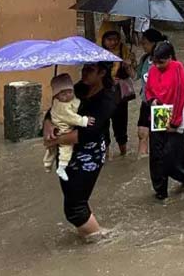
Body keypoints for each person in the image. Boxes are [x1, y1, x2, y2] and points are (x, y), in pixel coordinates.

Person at [42, 62, 117, 242]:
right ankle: (93, 237)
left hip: (89, 154)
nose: (84, 72)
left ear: (102, 73)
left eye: (90, 70)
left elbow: (86, 133)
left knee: (75, 208)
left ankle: (102, 243)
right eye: (84, 68)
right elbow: (54, 109)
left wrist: (53, 140)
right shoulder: (78, 89)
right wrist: (48, 124)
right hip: (67, 152)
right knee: (73, 201)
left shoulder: (108, 97)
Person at [145, 41, 184, 200]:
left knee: (171, 155)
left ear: (170, 58)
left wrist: (175, 121)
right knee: (156, 155)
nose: (158, 65)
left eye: (161, 62)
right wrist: (152, 100)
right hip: (158, 113)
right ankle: (160, 191)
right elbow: (148, 90)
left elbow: (181, 94)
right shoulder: (153, 69)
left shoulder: (177, 68)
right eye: (155, 61)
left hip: (175, 114)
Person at [43, 73, 94, 181]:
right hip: (63, 129)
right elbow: (72, 118)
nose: (67, 95)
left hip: (86, 152)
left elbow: (75, 103)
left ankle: (47, 164)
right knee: (66, 149)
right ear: (56, 95)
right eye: (62, 93)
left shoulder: (70, 99)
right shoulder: (61, 106)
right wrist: (84, 120)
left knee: (52, 149)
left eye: (69, 92)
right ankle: (61, 168)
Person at [100, 30, 136, 157]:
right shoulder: (99, 55)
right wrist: (107, 79)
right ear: (104, 41)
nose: (113, 42)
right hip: (103, 96)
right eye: (109, 40)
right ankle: (106, 154)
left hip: (119, 97)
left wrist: (127, 65)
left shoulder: (126, 53)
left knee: (120, 125)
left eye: (115, 39)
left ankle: (123, 153)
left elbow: (134, 76)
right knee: (103, 126)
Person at [136, 28, 168, 157]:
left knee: (161, 137)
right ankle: (141, 160)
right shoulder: (144, 59)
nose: (142, 46)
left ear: (154, 43)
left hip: (161, 105)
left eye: (145, 43)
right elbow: (135, 76)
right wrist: (128, 65)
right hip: (146, 102)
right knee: (142, 133)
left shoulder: (164, 61)